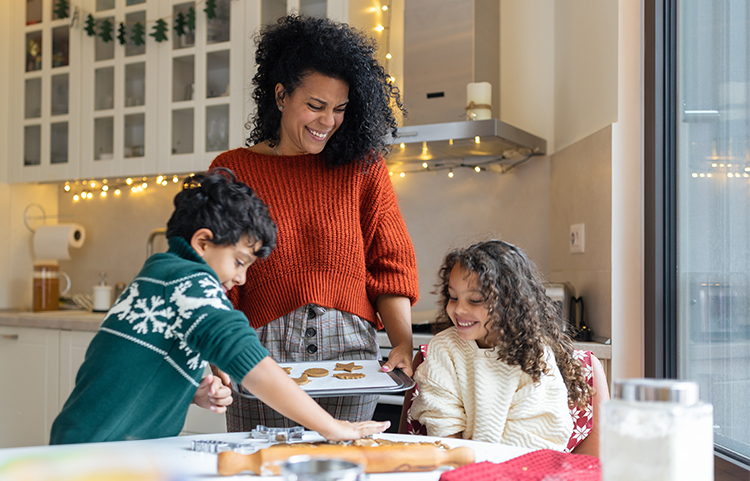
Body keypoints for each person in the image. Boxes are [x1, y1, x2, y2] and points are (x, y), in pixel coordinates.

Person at [49, 169, 390, 444]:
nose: (241, 278)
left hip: (91, 440)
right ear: (202, 242)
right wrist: (331, 427)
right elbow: (252, 362)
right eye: (239, 261)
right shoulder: (190, 283)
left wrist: (188, 390)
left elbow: (137, 368)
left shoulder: (160, 272)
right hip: (102, 453)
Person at [209, 14, 419, 430]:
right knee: (262, 472)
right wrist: (217, 350)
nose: (328, 121)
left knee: (342, 470)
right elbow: (216, 277)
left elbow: (389, 264)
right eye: (316, 105)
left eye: (340, 109)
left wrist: (403, 343)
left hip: (350, 358)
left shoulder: (362, 167)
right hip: (259, 353)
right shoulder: (232, 170)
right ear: (281, 95)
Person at [409, 240, 592, 450]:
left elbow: (541, 433)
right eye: (453, 297)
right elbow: (442, 426)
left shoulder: (534, 353)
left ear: (510, 304)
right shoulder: (443, 348)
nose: (458, 309)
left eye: (475, 300)